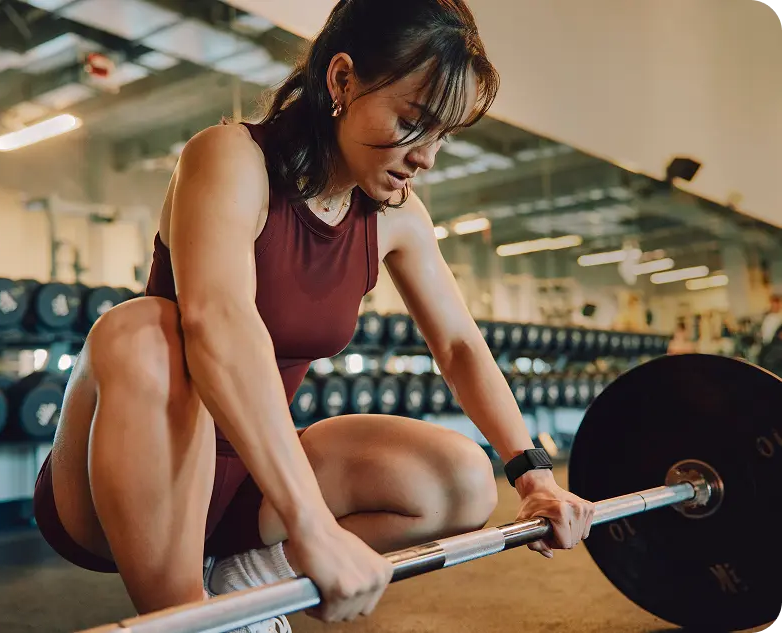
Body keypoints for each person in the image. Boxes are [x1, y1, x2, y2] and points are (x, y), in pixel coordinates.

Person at [33, 1, 595, 630]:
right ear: (341, 80)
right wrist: (310, 524)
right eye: (413, 121)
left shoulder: (397, 218)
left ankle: (245, 584)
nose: (427, 157)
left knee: (463, 476)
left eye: (444, 135)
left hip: (256, 478)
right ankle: (193, 616)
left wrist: (532, 476)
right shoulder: (230, 158)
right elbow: (219, 322)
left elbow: (461, 346)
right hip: (127, 481)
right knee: (141, 330)